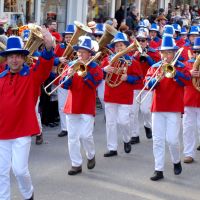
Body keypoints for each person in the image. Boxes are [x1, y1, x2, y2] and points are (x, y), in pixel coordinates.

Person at [0, 28, 54, 199]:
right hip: (2, 131)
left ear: (23, 58)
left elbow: (45, 67)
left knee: (19, 169)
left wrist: (48, 47)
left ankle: (28, 193)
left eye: (17, 56)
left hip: (22, 130)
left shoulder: (32, 76)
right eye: (11, 56)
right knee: (1, 171)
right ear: (6, 59)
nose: (14, 60)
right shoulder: (0, 77)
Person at [145, 36, 191, 181]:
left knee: (172, 140)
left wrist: (176, 73)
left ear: (174, 53)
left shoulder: (181, 67)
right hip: (158, 107)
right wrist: (154, 80)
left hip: (174, 107)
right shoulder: (154, 67)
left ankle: (176, 161)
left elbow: (187, 81)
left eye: (169, 53)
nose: (165, 56)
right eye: (163, 53)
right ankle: (158, 169)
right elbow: (147, 84)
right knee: (158, 140)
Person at [61, 36, 103, 175]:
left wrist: (85, 75)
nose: (79, 54)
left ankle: (90, 155)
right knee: (72, 137)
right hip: (72, 105)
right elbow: (64, 85)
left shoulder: (96, 68)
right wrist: (69, 76)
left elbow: (94, 85)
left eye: (83, 51)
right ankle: (76, 164)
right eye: (78, 51)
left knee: (86, 135)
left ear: (89, 53)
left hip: (87, 105)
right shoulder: (71, 65)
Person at [102, 32, 142, 157]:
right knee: (110, 122)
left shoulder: (132, 62)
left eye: (121, 45)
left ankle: (126, 139)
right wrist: (104, 70)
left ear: (126, 46)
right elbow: (98, 75)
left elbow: (139, 78)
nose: (119, 48)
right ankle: (112, 148)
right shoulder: (107, 60)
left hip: (125, 96)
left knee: (123, 121)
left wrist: (128, 78)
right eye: (116, 46)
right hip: (110, 94)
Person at [54, 24, 76, 137]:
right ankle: (64, 128)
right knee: (62, 105)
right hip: (62, 77)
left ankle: (74, 127)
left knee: (75, 104)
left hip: (76, 78)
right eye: (66, 37)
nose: (68, 39)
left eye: (70, 37)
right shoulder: (60, 47)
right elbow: (52, 59)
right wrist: (59, 59)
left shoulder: (79, 48)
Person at [182, 37, 200, 163]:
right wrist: (190, 74)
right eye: (195, 52)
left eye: (199, 52)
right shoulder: (187, 64)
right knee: (188, 128)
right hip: (189, 101)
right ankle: (189, 154)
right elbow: (180, 79)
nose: (197, 54)